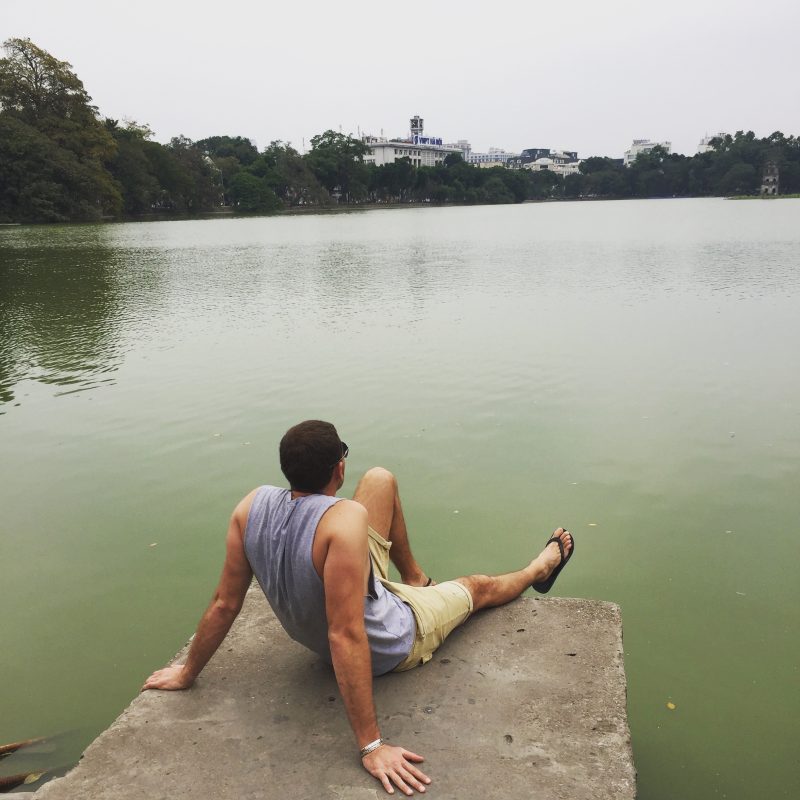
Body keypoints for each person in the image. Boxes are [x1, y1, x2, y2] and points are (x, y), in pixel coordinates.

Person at [143, 420, 574, 796]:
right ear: (339, 468)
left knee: (382, 479)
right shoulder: (343, 518)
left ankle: (416, 579)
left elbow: (224, 603)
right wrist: (371, 747)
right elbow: (345, 634)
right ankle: (540, 568)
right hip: (394, 638)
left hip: (344, 575)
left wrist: (187, 672)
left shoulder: (251, 505)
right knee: (476, 588)